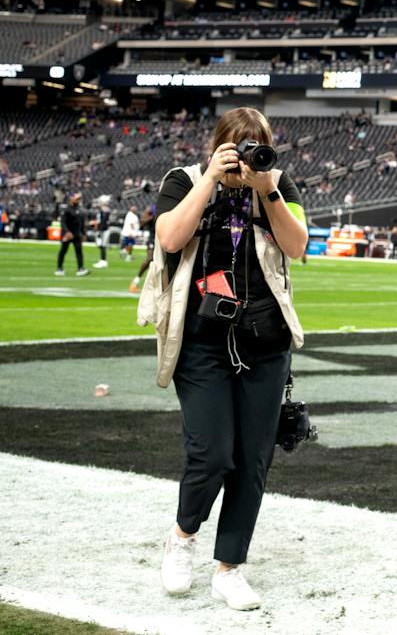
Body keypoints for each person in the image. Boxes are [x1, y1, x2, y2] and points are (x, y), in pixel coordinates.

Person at [144, 107, 308, 611]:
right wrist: (211, 179)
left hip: (264, 342)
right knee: (212, 452)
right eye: (237, 146)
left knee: (252, 462)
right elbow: (169, 238)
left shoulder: (278, 184)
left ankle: (230, 568)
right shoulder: (184, 180)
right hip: (200, 342)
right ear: (216, 145)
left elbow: (298, 247)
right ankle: (182, 536)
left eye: (255, 146)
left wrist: (267, 190)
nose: (245, 157)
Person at [55, 192, 89, 277]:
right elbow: (63, 222)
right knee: (63, 251)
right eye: (77, 199)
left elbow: (81, 223)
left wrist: (83, 233)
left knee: (79, 252)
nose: (78, 200)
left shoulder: (79, 209)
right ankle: (59, 268)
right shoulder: (66, 209)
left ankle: (80, 268)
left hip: (76, 234)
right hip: (68, 234)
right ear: (71, 199)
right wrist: (67, 232)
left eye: (79, 199)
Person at [91, 195, 113, 269]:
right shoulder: (103, 210)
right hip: (103, 229)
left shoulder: (105, 211)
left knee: (103, 245)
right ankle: (103, 260)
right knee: (101, 245)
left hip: (103, 230)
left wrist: (99, 230)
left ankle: (103, 261)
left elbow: (103, 221)